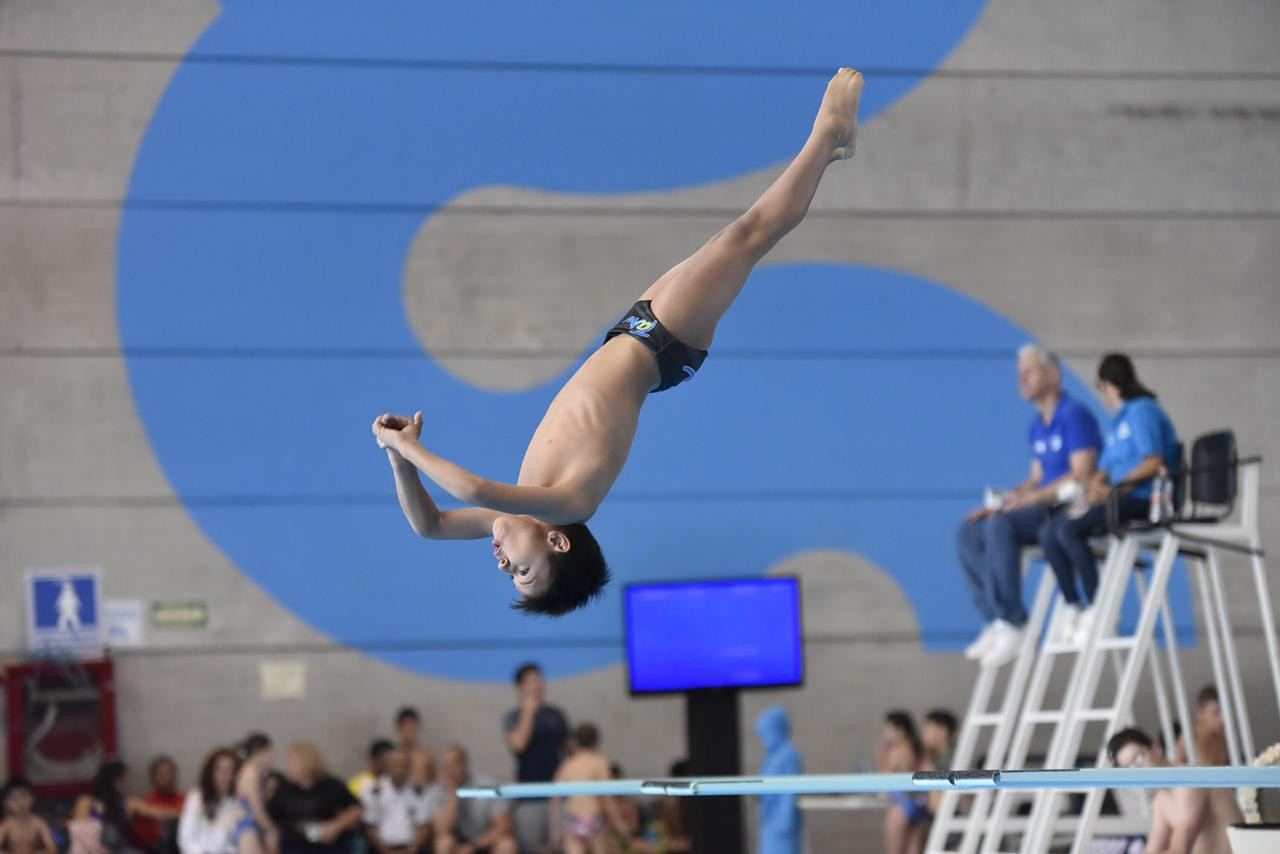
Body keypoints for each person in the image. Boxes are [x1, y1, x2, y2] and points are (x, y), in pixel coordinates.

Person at [371, 68, 867, 616]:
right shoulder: (568, 502)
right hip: (664, 345)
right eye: (523, 570)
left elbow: (431, 526)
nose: (503, 563)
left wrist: (400, 463)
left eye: (509, 574)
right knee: (747, 236)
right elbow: (468, 489)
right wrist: (407, 447)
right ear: (558, 541)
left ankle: (829, 143)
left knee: (739, 238)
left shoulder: (531, 506)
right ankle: (827, 139)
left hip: (635, 335)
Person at [958, 344, 1102, 668]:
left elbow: (1082, 474)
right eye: (1019, 374)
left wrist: (1028, 501)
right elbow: (1035, 477)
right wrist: (1006, 500)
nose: (1022, 379)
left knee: (1002, 525)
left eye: (1030, 371)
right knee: (970, 530)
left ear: (1053, 374)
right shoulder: (1037, 425)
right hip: (1038, 506)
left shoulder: (1074, 415)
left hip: (1065, 509)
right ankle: (996, 619)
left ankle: (1014, 622)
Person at [1041, 353, 1180, 646]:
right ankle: (1073, 605)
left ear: (1104, 385)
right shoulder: (1119, 422)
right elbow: (1103, 471)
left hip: (1143, 499)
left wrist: (1113, 489)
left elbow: (1153, 462)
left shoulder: (1143, 411)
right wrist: (1090, 491)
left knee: (1069, 529)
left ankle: (1098, 608)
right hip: (1115, 497)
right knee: (1051, 529)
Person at [1107, 727, 1241, 854]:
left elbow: (1179, 851)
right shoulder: (1161, 800)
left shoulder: (1189, 781)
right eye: (1128, 768)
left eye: (1138, 758)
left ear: (1156, 748)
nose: (1137, 770)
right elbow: (1153, 850)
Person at [502, 663, 569, 852]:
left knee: (561, 846)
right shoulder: (513, 717)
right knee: (531, 847)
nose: (536, 685)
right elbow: (519, 744)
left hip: (557, 795)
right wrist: (529, 710)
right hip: (528, 795)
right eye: (530, 681)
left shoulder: (556, 715)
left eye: (539, 680)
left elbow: (569, 751)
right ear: (520, 687)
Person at [266, 743, 362, 854]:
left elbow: (356, 808)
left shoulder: (331, 785)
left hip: (327, 847)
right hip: (293, 847)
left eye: (294, 762)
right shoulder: (284, 788)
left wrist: (335, 826)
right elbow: (271, 820)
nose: (289, 767)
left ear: (308, 763)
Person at [73, 760, 183, 854]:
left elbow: (160, 813)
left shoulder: (129, 804)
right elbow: (81, 834)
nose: (127, 784)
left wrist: (189, 812)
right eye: (124, 780)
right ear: (115, 782)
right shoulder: (86, 802)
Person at [550, 724, 627, 854]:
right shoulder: (600, 762)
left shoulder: (568, 765)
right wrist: (619, 824)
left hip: (574, 819)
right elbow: (607, 798)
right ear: (597, 743)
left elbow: (554, 797)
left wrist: (556, 829)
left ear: (576, 743)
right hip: (593, 818)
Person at [429, 746, 516, 854]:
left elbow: (503, 826)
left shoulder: (487, 786)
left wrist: (474, 846)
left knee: (507, 845)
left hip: (484, 843)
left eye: (452, 765)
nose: (448, 771)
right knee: (444, 843)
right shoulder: (438, 789)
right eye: (445, 766)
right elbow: (442, 831)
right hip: (457, 846)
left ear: (464, 764)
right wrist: (453, 794)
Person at [361, 749, 436, 854]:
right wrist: (386, 851)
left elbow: (424, 826)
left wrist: (412, 849)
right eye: (396, 763)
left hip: (411, 850)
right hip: (381, 850)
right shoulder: (374, 790)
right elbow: (370, 826)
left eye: (403, 764)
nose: (399, 768)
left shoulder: (419, 792)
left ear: (409, 767)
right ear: (388, 765)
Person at [877, 712, 928, 854]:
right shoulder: (913, 748)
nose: (885, 734)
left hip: (903, 805)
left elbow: (886, 779)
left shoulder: (900, 750)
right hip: (918, 805)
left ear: (901, 730)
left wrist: (883, 756)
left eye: (888, 729)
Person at [755, 706, 803, 854]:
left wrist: (785, 821)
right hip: (769, 819)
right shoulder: (771, 756)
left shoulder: (788, 754)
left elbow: (790, 790)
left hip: (782, 823)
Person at [178, 748, 242, 854]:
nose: (225, 775)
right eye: (220, 770)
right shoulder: (197, 796)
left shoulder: (239, 801)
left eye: (230, 770)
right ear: (210, 772)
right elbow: (185, 839)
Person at [232, 734, 278, 854]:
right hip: (248, 827)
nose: (272, 757)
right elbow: (257, 809)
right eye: (269, 752)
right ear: (259, 752)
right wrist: (272, 829)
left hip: (252, 824)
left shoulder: (255, 772)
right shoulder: (251, 774)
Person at [132, 756, 186, 853]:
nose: (167, 778)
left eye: (170, 773)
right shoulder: (144, 803)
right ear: (153, 777)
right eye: (162, 774)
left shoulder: (185, 800)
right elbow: (140, 840)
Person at [0, 778, 56, 854]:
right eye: (15, 799)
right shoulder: (7, 825)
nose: (20, 803)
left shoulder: (38, 823)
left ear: (32, 798)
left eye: (24, 797)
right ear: (6, 803)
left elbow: (52, 848)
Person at [395, 709, 436, 786]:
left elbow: (433, 782)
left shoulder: (426, 757)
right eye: (406, 727)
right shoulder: (393, 757)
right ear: (399, 728)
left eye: (412, 727)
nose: (410, 732)